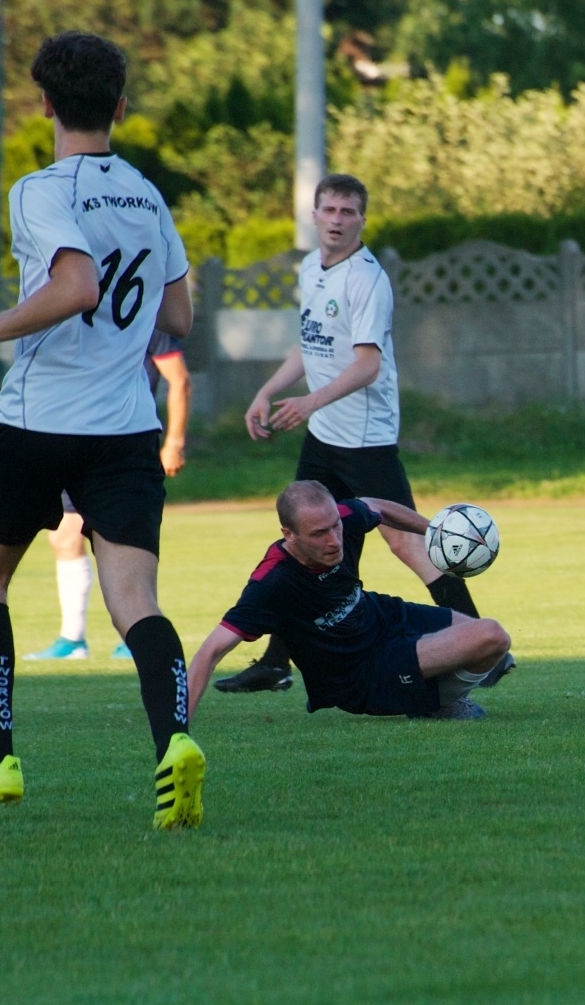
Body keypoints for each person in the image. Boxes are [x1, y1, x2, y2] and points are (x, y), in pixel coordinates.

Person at [0, 31, 205, 828]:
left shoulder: (37, 190)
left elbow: (77, 284)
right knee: (135, 600)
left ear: (44, 103)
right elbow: (179, 314)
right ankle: (174, 741)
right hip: (124, 427)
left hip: (37, 419)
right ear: (119, 107)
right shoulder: (149, 196)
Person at [214, 173, 510, 694]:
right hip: (325, 433)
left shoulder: (367, 279)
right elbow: (309, 346)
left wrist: (307, 402)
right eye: (328, 210)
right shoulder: (311, 268)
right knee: (302, 539)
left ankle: (485, 647)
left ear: (362, 220)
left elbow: (367, 366)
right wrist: (267, 391)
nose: (336, 220)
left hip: (365, 437)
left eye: (347, 212)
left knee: (408, 543)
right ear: (314, 214)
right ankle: (279, 661)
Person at [187, 481, 513, 722]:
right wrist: (176, 729)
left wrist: (436, 531)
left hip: (381, 615)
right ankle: (437, 705)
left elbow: (376, 506)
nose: (334, 540)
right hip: (361, 671)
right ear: (289, 534)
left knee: (493, 646)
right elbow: (210, 651)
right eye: (319, 534)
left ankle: (434, 698)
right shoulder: (271, 583)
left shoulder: (341, 518)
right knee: (491, 635)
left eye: (336, 526)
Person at [24, 330, 191, 661]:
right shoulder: (78, 320)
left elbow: (180, 380)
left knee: (124, 543)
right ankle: (72, 639)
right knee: (64, 537)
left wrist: (174, 442)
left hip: (123, 445)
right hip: (75, 440)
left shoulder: (149, 326)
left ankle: (135, 636)